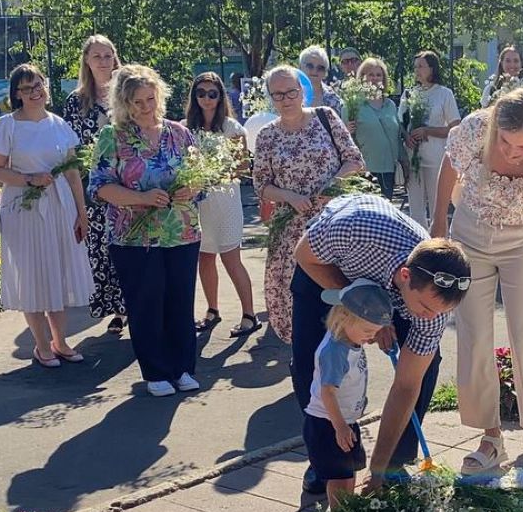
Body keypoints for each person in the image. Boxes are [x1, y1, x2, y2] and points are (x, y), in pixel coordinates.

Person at [432, 88, 523, 474]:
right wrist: (437, 224)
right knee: (474, 335)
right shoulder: (476, 128)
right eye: (506, 142)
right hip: (470, 235)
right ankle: (490, 436)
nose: (513, 152)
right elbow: (450, 165)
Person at [293, 194, 470, 491]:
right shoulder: (356, 230)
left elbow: (406, 385)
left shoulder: (433, 310)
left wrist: (379, 470)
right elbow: (303, 254)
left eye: (440, 313)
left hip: (392, 294)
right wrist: (369, 313)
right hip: (327, 270)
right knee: (311, 361)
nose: (430, 317)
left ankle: (393, 462)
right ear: (405, 276)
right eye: (426, 308)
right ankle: (324, 456)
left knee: (425, 367)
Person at [89, 64, 202, 397]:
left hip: (181, 232)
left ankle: (182, 368)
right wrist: (138, 198)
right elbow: (99, 187)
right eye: (137, 102)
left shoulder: (179, 133)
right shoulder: (114, 136)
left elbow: (201, 177)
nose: (145, 107)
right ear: (124, 103)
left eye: (150, 99)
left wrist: (190, 188)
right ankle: (155, 371)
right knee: (147, 302)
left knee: (180, 302)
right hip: (133, 237)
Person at [0, 64, 94, 367]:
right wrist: (29, 179)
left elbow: (72, 171)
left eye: (38, 85)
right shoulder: (8, 126)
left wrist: (81, 212)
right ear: (17, 94)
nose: (35, 93)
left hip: (60, 206)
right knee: (33, 273)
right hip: (25, 207)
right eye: (27, 88)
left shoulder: (58, 124)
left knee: (57, 272)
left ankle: (60, 341)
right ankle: (41, 344)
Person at [254, 65, 363, 345]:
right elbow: (261, 184)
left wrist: (332, 185)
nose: (286, 99)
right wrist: (289, 196)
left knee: (337, 292)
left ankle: (343, 364)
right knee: (297, 301)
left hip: (333, 224)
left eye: (291, 91)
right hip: (292, 230)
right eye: (278, 95)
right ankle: (306, 369)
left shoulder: (326, 118)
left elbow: (355, 160)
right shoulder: (267, 135)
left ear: (302, 90)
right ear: (270, 98)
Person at [183, 72, 259, 338]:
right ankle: (212, 310)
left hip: (225, 200)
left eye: (212, 93)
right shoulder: (184, 129)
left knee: (231, 258)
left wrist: (213, 174)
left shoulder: (232, 128)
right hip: (198, 203)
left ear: (220, 96)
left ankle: (250, 314)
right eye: (200, 93)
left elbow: (241, 169)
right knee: (204, 257)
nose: (206, 98)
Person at [304, 279, 393, 506]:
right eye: (367, 331)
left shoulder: (350, 341)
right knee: (337, 475)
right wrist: (340, 426)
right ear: (344, 318)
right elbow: (327, 393)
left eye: (374, 331)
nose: (371, 337)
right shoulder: (335, 352)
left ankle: (347, 511)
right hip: (329, 422)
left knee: (348, 469)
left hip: (344, 421)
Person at [63, 34, 127, 334]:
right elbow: (71, 150)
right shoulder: (76, 101)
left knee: (129, 244)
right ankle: (114, 307)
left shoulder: (128, 92)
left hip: (129, 181)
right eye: (97, 56)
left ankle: (130, 306)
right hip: (94, 187)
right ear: (87, 62)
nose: (103, 62)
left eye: (107, 55)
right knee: (101, 248)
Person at [400, 50, 460, 229]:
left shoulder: (444, 94)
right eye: (415, 66)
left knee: (437, 207)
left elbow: (455, 126)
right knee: (416, 209)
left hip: (436, 158)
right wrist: (406, 137)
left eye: (421, 66)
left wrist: (428, 131)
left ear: (432, 68)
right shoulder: (409, 93)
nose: (417, 70)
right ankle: (418, 246)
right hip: (413, 157)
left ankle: (439, 246)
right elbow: (399, 122)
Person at [351, 57, 406, 200]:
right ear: (362, 77)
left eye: (378, 75)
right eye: (370, 74)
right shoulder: (353, 105)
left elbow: (396, 136)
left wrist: (404, 161)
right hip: (365, 171)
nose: (375, 78)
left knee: (385, 212)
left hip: (388, 169)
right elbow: (346, 140)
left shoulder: (390, 105)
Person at [299, 45, 343, 118]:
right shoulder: (287, 93)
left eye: (320, 68)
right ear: (300, 67)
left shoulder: (333, 99)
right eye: (310, 66)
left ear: (325, 72)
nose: (314, 70)